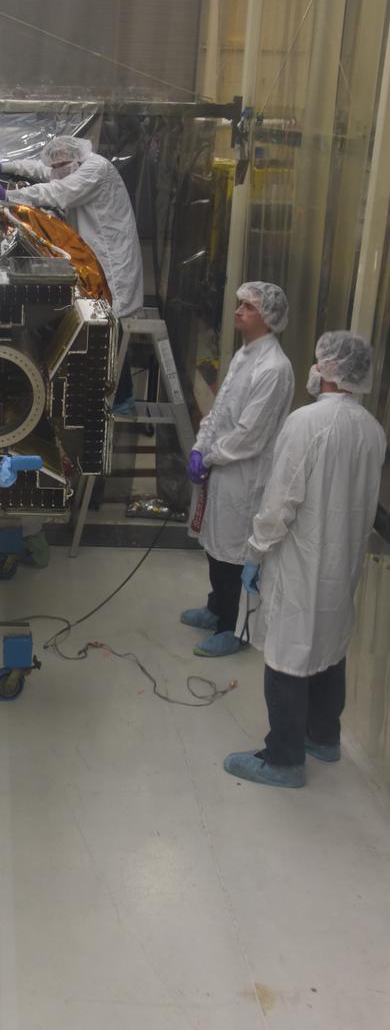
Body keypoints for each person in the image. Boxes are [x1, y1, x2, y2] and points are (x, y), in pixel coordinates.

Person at [224, 332, 386, 788]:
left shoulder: (307, 422)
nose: (313, 368)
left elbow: (280, 504)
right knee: (330, 648)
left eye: (318, 361)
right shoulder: (373, 431)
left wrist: (255, 552)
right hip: (343, 563)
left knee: (287, 655)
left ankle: (284, 759)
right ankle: (324, 737)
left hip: (302, 559)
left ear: (329, 369)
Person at [0, 136, 144, 411]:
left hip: (112, 258)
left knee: (110, 321)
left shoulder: (95, 170)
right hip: (98, 253)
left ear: (76, 158)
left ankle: (122, 397)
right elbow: (44, 171)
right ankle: (110, 391)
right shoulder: (74, 165)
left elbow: (57, 192)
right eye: (57, 165)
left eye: (62, 164)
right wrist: (4, 166)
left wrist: (9, 196)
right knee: (105, 320)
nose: (58, 169)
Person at [182, 281, 293, 657]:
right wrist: (200, 446)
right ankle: (216, 609)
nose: (238, 311)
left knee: (234, 552)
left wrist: (210, 456)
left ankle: (236, 628)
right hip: (223, 466)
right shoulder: (245, 355)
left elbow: (250, 435)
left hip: (246, 475)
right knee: (215, 544)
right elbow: (221, 410)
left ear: (268, 318)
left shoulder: (274, 368)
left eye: (247, 307)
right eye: (240, 304)